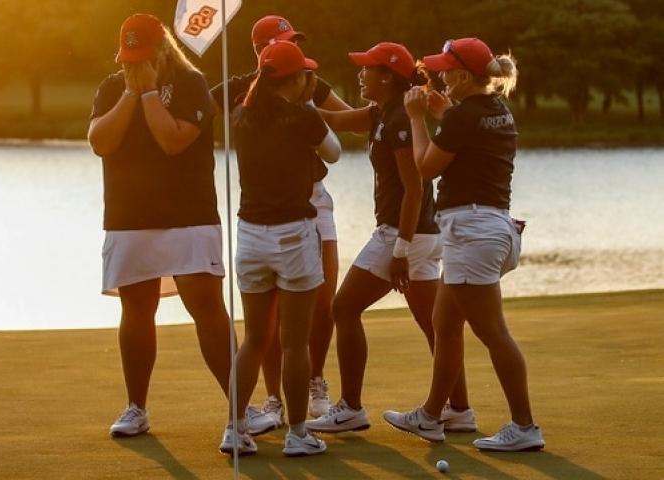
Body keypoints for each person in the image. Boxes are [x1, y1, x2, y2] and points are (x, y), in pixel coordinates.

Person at [383, 38, 545, 452]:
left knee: (493, 332)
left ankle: (524, 426)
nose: (440, 75)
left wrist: (416, 118)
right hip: (487, 228)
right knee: (445, 323)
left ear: (463, 75)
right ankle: (433, 415)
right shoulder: (495, 109)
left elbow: (425, 168)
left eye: (446, 69)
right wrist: (444, 114)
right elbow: (468, 134)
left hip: (472, 232)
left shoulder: (463, 116)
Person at [305, 42, 473, 434]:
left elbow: (415, 188)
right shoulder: (382, 111)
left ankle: (350, 408)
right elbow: (337, 120)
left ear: (387, 77)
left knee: (344, 308)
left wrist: (400, 249)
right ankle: (460, 410)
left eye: (368, 69)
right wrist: (294, 102)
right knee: (435, 326)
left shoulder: (399, 119)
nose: (360, 74)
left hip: (402, 233)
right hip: (422, 234)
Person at [87, 13, 233, 438]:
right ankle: (137, 407)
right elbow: (100, 142)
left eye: (142, 59)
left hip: (189, 216)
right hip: (129, 217)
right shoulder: (112, 88)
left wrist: (149, 92)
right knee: (136, 310)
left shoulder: (192, 84)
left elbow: (172, 140)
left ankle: (240, 407)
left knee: (206, 308)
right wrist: (131, 94)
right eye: (128, 59)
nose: (133, 66)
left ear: (163, 51)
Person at [210, 14, 349, 434]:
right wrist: (308, 107)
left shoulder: (242, 115)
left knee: (254, 338)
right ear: (294, 79)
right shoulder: (304, 116)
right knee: (293, 342)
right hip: (293, 234)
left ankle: (234, 428)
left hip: (250, 236)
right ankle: (298, 434)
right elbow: (335, 152)